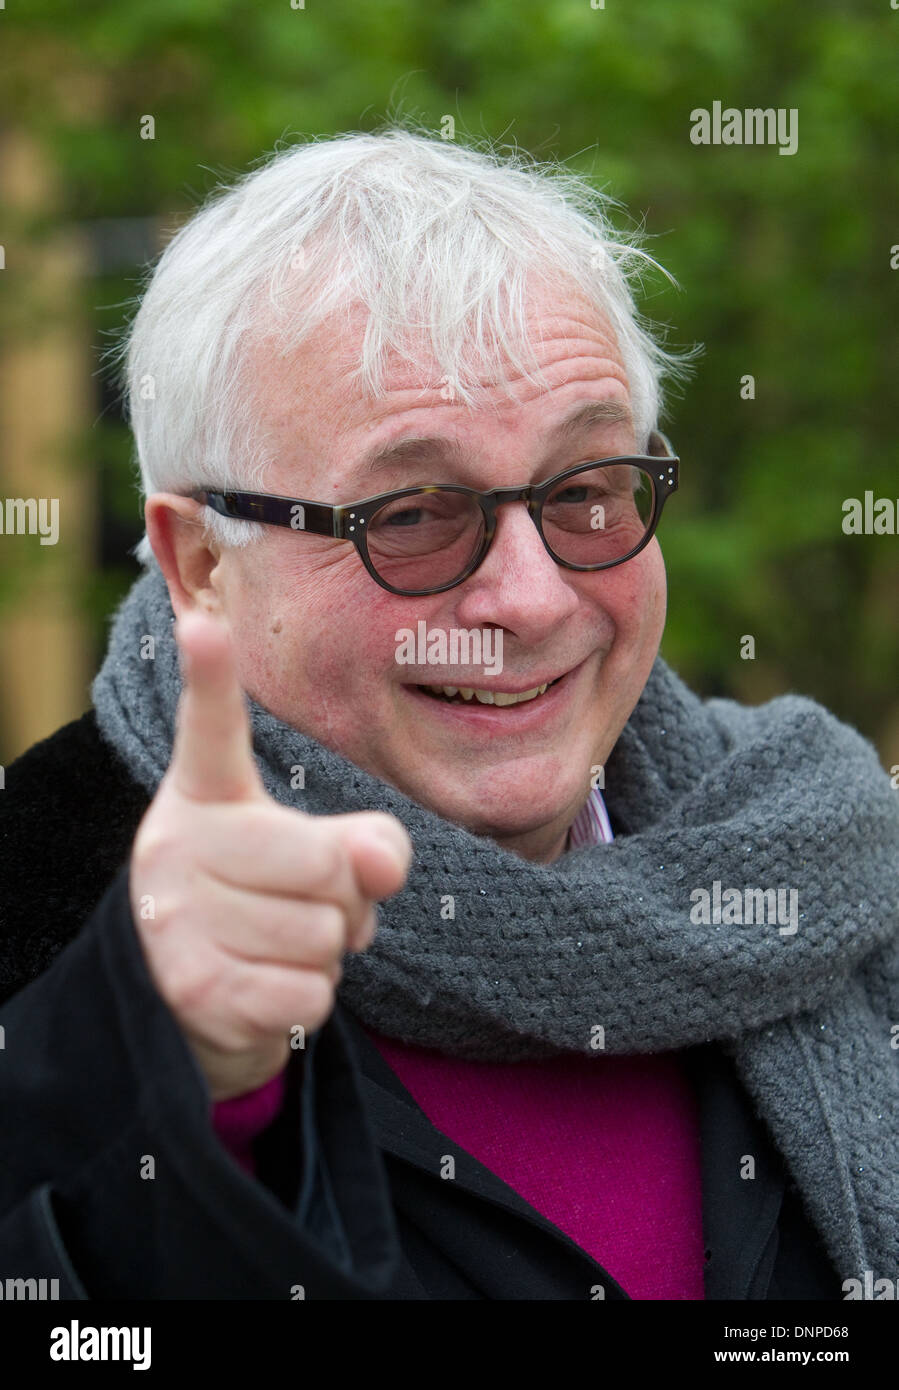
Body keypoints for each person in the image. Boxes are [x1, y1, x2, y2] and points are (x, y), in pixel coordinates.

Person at [1, 128, 896, 1301]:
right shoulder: (44, 930)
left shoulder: (822, 864)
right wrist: (165, 1090)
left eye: (582, 490)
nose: (529, 598)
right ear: (200, 561)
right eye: (413, 514)